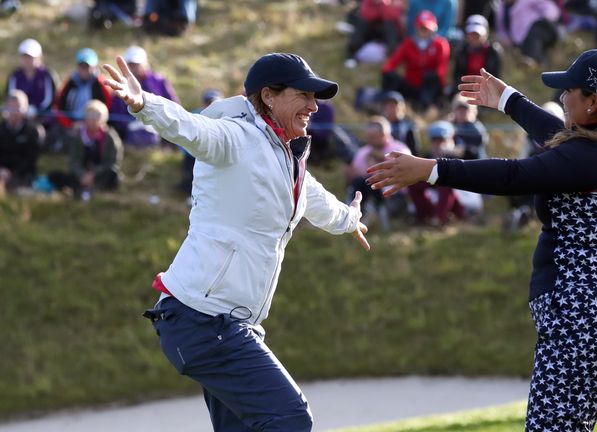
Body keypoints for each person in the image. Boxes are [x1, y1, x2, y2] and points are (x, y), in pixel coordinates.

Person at [368, 49, 597, 431]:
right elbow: (560, 138)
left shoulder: (594, 158)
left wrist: (430, 170)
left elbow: (514, 176)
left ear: (592, 102)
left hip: (588, 315)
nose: (561, 98)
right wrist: (508, 100)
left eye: (569, 90)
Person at [102, 52, 369, 431]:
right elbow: (191, 129)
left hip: (224, 323)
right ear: (269, 96)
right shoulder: (236, 137)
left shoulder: (285, 156)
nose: (314, 105)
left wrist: (349, 219)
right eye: (305, 95)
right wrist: (144, 103)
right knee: (291, 418)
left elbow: (316, 199)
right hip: (202, 319)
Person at [48, 100, 123, 199]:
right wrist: (82, 175)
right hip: (81, 176)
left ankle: (96, 188)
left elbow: (112, 163)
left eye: (97, 116)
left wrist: (93, 174)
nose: (93, 120)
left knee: (114, 175)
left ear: (104, 118)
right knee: (56, 175)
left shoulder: (111, 137)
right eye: (90, 116)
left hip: (100, 175)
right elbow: (73, 161)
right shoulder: (78, 136)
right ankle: (80, 188)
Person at [347, 115, 411, 230]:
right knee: (360, 181)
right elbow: (354, 174)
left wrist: (381, 160)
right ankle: (353, 217)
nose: (370, 140)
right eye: (368, 136)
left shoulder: (399, 149)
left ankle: (368, 217)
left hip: (394, 196)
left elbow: (406, 171)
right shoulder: (363, 152)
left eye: (373, 137)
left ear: (384, 134)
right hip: (367, 193)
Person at [109, 45, 180, 147]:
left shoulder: (159, 81)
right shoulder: (121, 84)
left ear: (144, 64)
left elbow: (174, 104)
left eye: (136, 64)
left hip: (159, 124)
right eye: (130, 64)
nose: (133, 68)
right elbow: (116, 111)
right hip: (129, 126)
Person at [381, 10, 451, 112]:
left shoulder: (440, 44)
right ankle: (387, 104)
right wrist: (387, 72)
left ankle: (425, 106)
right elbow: (393, 62)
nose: (424, 31)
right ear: (417, 28)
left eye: (427, 29)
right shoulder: (408, 43)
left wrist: (437, 79)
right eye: (422, 28)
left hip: (429, 87)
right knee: (390, 77)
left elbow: (442, 69)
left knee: (431, 78)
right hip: (411, 84)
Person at [55, 48, 113, 130]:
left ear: (94, 67)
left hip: (95, 126)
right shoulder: (69, 83)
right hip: (71, 125)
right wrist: (70, 124)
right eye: (81, 66)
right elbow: (59, 107)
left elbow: (108, 105)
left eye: (87, 66)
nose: (84, 69)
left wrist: (97, 123)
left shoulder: (101, 83)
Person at [0, 90, 43, 192]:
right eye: (11, 108)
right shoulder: (1, 129)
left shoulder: (32, 131)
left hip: (23, 175)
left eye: (17, 108)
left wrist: (12, 173)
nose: (14, 112)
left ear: (25, 109)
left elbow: (30, 159)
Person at [495, 0, 561, 66]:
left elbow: (550, 8)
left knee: (534, 35)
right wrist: (505, 38)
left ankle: (530, 58)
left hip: (543, 29)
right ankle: (540, 67)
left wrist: (545, 18)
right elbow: (500, 29)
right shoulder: (501, 8)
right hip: (520, 40)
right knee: (535, 49)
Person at [5, 38, 58, 120]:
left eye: (30, 57)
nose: (27, 60)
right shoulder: (15, 76)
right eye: (24, 57)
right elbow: (11, 95)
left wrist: (36, 111)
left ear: (39, 57)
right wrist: (20, 110)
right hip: (18, 117)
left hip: (43, 119)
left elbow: (49, 100)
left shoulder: (47, 76)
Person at [451, 14, 503, 97]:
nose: (474, 38)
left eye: (478, 35)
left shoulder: (494, 52)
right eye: (472, 34)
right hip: (465, 89)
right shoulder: (461, 51)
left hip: (487, 91)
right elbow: (457, 76)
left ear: (486, 34)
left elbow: (496, 78)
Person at [379, 90, 420, 155]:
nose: (392, 107)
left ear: (402, 106)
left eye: (394, 104)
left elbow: (414, 150)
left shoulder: (409, 125)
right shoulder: (379, 124)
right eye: (389, 105)